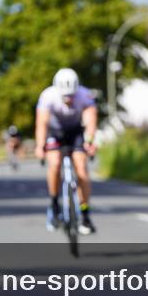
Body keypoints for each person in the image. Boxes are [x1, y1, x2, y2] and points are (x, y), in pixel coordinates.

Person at [34, 68, 98, 235]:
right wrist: (40, 145)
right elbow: (42, 123)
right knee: (54, 164)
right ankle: (55, 204)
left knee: (82, 169)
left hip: (75, 132)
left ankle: (85, 214)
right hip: (55, 133)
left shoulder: (84, 95)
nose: (68, 100)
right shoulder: (48, 96)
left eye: (71, 96)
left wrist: (90, 141)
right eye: (65, 97)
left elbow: (90, 119)